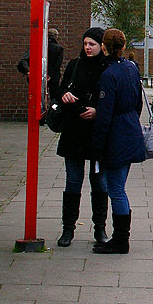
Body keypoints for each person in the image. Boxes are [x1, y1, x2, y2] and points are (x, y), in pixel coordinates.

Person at [90, 28, 145, 254]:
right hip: (131, 129)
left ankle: (121, 240)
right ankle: (120, 238)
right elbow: (138, 103)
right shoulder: (131, 68)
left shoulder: (109, 74)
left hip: (116, 135)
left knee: (116, 190)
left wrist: (97, 146)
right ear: (122, 47)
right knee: (119, 187)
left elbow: (104, 114)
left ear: (104, 47)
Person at [55, 27, 109, 248]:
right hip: (74, 132)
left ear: (101, 46)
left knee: (99, 183)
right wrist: (63, 95)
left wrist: (97, 110)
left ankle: (100, 228)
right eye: (85, 43)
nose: (87, 47)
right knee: (73, 182)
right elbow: (59, 91)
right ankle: (68, 229)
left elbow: (111, 99)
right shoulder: (74, 66)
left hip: (96, 134)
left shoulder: (107, 68)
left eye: (92, 44)